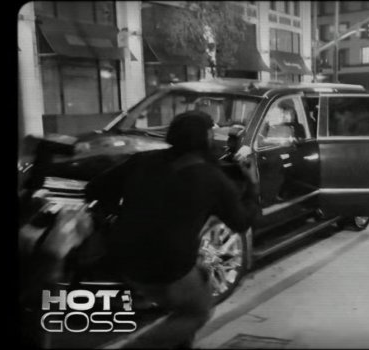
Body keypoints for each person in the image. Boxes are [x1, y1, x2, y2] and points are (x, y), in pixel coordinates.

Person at [84, 111, 260, 348]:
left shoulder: (143, 160)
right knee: (197, 310)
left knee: (201, 277)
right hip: (167, 266)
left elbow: (94, 189)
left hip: (122, 256)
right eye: (212, 133)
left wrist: (124, 213)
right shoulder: (211, 177)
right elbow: (242, 221)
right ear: (206, 137)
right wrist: (252, 184)